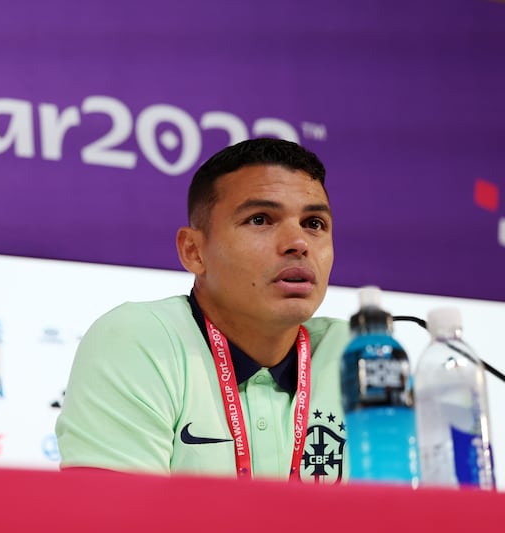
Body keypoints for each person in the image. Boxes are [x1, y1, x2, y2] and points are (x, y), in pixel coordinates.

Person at [55, 138, 350, 483]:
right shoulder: (139, 340)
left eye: (314, 223)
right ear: (194, 251)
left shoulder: (358, 357)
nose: (298, 244)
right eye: (260, 219)